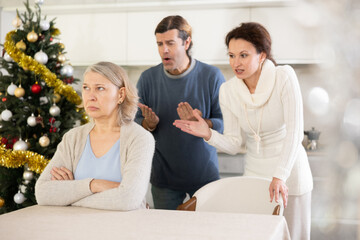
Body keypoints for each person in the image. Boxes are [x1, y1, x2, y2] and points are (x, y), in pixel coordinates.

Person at [173, 22, 313, 240]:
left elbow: (295, 132)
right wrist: (208, 133)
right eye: (231, 55)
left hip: (289, 173)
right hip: (255, 174)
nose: (235, 63)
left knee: (292, 235)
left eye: (244, 55)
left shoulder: (284, 77)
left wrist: (280, 175)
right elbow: (234, 143)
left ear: (262, 55)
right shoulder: (228, 90)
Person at [35, 62, 155, 211]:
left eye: (100, 88)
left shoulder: (140, 139)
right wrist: (94, 185)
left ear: (121, 94)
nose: (90, 96)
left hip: (125, 231)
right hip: (79, 230)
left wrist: (69, 196)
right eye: (86, 88)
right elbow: (43, 193)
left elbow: (128, 199)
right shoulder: (73, 138)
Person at [135, 15, 225, 210]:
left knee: (207, 231)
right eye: (159, 44)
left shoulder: (212, 76)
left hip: (204, 176)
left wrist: (204, 123)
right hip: (164, 178)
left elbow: (225, 123)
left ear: (187, 42)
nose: (164, 50)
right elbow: (135, 124)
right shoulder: (147, 79)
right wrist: (148, 124)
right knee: (166, 233)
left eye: (170, 43)